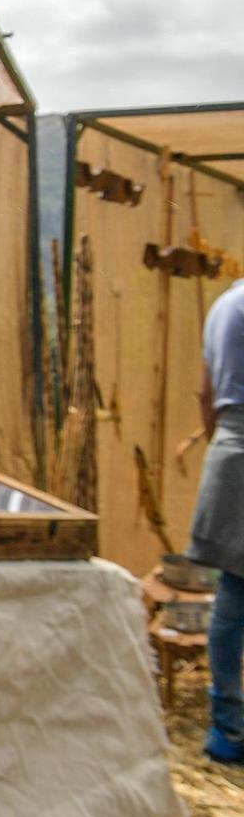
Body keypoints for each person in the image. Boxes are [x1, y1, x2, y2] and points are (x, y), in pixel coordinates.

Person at [189, 275, 244, 765]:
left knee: (234, 589)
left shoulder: (223, 305)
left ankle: (227, 727)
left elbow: (204, 395)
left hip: (228, 448)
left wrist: (220, 445)